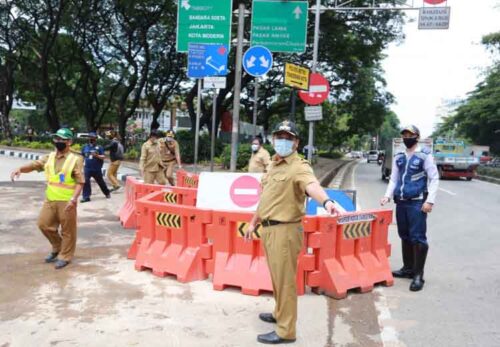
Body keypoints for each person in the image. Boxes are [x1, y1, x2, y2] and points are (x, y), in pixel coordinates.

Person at [245, 120, 340, 344]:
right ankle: (280, 313)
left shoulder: (299, 165)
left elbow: (311, 185)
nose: (283, 141)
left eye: (288, 138)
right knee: (277, 277)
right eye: (280, 136)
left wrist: (326, 201)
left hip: (285, 230)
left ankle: (286, 331)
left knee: (286, 281)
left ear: (296, 142)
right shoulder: (273, 164)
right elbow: (266, 199)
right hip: (268, 228)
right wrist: (253, 222)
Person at [10, 128, 84, 269]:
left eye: (61, 139)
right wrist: (20, 169)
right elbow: (34, 165)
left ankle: (65, 256)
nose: (58, 142)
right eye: (56, 139)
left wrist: (73, 200)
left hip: (67, 201)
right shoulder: (49, 157)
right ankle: (58, 247)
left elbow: (80, 182)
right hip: (50, 199)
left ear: (69, 142)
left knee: (68, 231)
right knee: (43, 224)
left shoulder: (76, 159)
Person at [380, 125, 439, 292]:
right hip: (402, 202)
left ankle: (418, 275)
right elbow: (394, 179)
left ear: (417, 137)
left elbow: (434, 178)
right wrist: (387, 195)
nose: (407, 137)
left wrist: (430, 201)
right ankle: (408, 269)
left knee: (418, 237)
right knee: (404, 235)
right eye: (404, 135)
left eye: (410, 135)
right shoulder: (399, 156)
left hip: (417, 202)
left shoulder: (424, 155)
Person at [80, 132, 111, 202]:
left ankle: (107, 192)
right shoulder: (85, 147)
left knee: (100, 182)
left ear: (95, 139)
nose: (91, 139)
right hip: (87, 168)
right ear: (88, 138)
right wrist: (80, 165)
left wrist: (97, 156)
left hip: (96, 168)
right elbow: (82, 156)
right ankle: (86, 197)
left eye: (93, 138)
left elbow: (103, 157)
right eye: (90, 137)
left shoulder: (99, 147)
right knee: (86, 181)